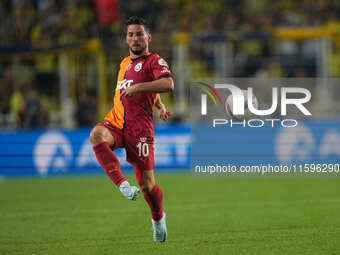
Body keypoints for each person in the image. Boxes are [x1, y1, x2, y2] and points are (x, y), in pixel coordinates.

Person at [89, 16, 174, 243]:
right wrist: (159, 104)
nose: (135, 38)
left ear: (148, 37)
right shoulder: (124, 63)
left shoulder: (155, 60)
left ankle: (158, 219)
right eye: (131, 34)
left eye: (139, 34)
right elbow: (147, 91)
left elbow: (168, 84)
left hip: (140, 131)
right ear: (126, 39)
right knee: (96, 135)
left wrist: (140, 89)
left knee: (147, 185)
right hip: (116, 123)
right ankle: (122, 184)